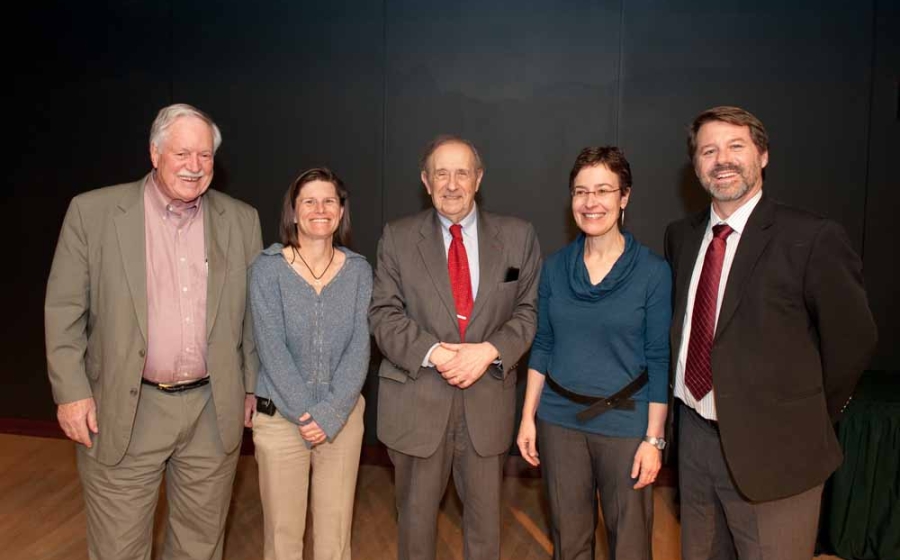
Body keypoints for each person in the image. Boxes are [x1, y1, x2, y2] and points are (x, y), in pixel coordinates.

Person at [44, 103, 263, 560]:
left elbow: (253, 318)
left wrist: (249, 387)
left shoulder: (241, 220)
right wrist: (70, 392)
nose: (194, 166)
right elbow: (64, 310)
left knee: (199, 547)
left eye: (204, 156)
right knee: (119, 549)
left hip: (211, 411)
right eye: (182, 153)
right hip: (124, 409)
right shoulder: (94, 213)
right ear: (154, 152)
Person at [665, 105, 878, 560]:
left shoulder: (812, 237)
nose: (722, 159)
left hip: (777, 449)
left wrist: (803, 415)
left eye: (735, 146)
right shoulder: (681, 236)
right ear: (697, 165)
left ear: (762, 155)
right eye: (708, 150)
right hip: (695, 441)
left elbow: (853, 339)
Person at [369, 135, 541, 560]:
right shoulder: (397, 237)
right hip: (417, 403)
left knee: (485, 531)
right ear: (425, 182)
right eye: (440, 173)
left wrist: (488, 351)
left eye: (461, 172)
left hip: (486, 406)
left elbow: (528, 312)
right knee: (415, 527)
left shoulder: (518, 237)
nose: (451, 183)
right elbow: (383, 315)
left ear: (478, 178)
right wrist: (437, 354)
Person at [516, 147, 671, 560]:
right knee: (569, 540)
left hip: (626, 424)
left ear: (624, 197)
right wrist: (528, 416)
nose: (591, 202)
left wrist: (654, 439)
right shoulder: (554, 268)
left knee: (631, 543)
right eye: (581, 191)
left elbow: (659, 359)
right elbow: (543, 345)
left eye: (603, 190)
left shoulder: (653, 272)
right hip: (559, 422)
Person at [248, 167, 371, 560]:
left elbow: (360, 347)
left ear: (340, 211)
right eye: (309, 201)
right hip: (282, 420)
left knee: (335, 539)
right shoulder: (267, 269)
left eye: (329, 201)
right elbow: (271, 348)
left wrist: (331, 413)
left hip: (342, 419)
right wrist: (307, 414)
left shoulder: (359, 271)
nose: (320, 209)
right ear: (294, 211)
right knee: (283, 538)